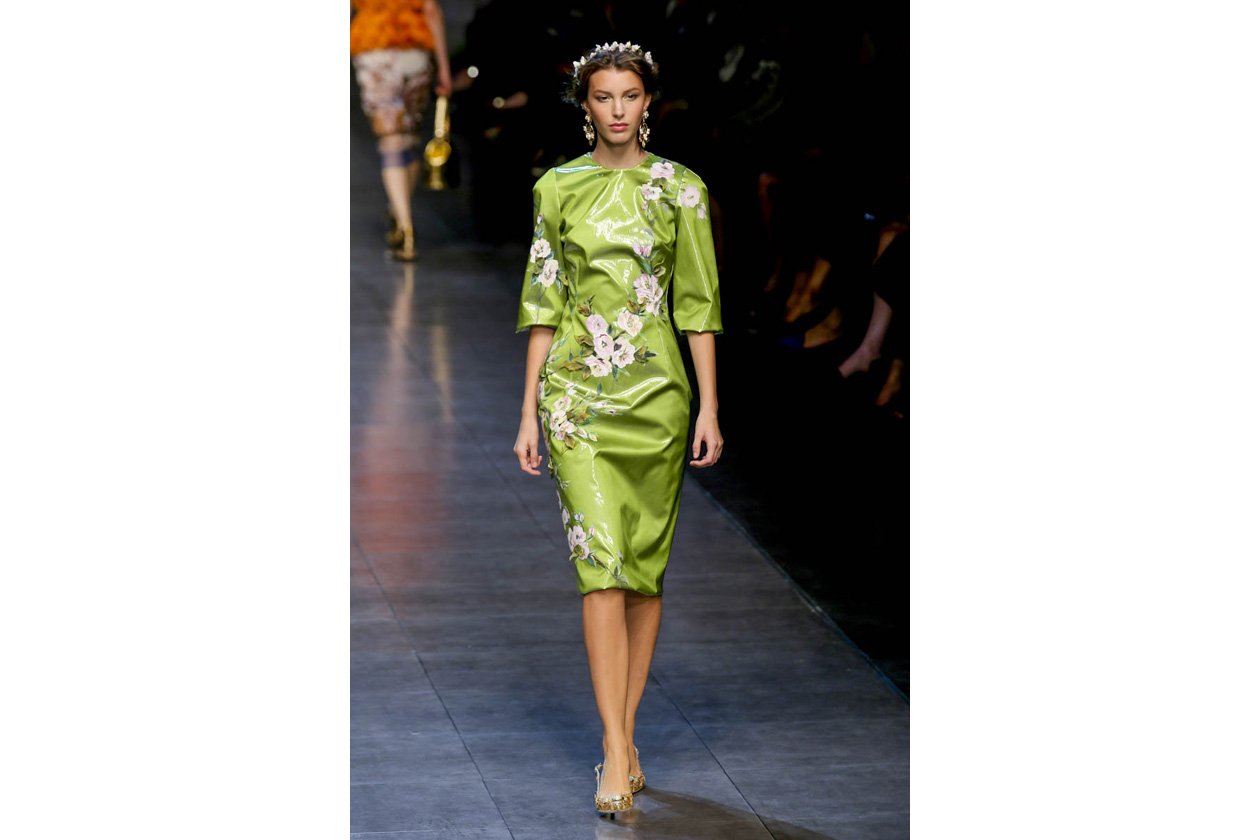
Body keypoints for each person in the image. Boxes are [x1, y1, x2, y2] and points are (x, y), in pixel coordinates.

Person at [511, 41, 724, 816]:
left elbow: (697, 304)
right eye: (603, 97)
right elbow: (544, 300)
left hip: (657, 398)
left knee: (643, 573)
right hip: (577, 400)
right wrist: (528, 410)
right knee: (600, 566)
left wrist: (709, 406)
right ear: (585, 105)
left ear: (648, 101)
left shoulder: (682, 190)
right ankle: (613, 743)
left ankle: (625, 738)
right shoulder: (557, 188)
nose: (618, 110)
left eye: (629, 95)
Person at [350, 0, 453, 261]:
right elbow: (431, 9)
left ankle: (404, 224)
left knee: (391, 139)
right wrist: (444, 67)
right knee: (408, 137)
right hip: (413, 51)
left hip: (375, 50)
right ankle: (399, 212)